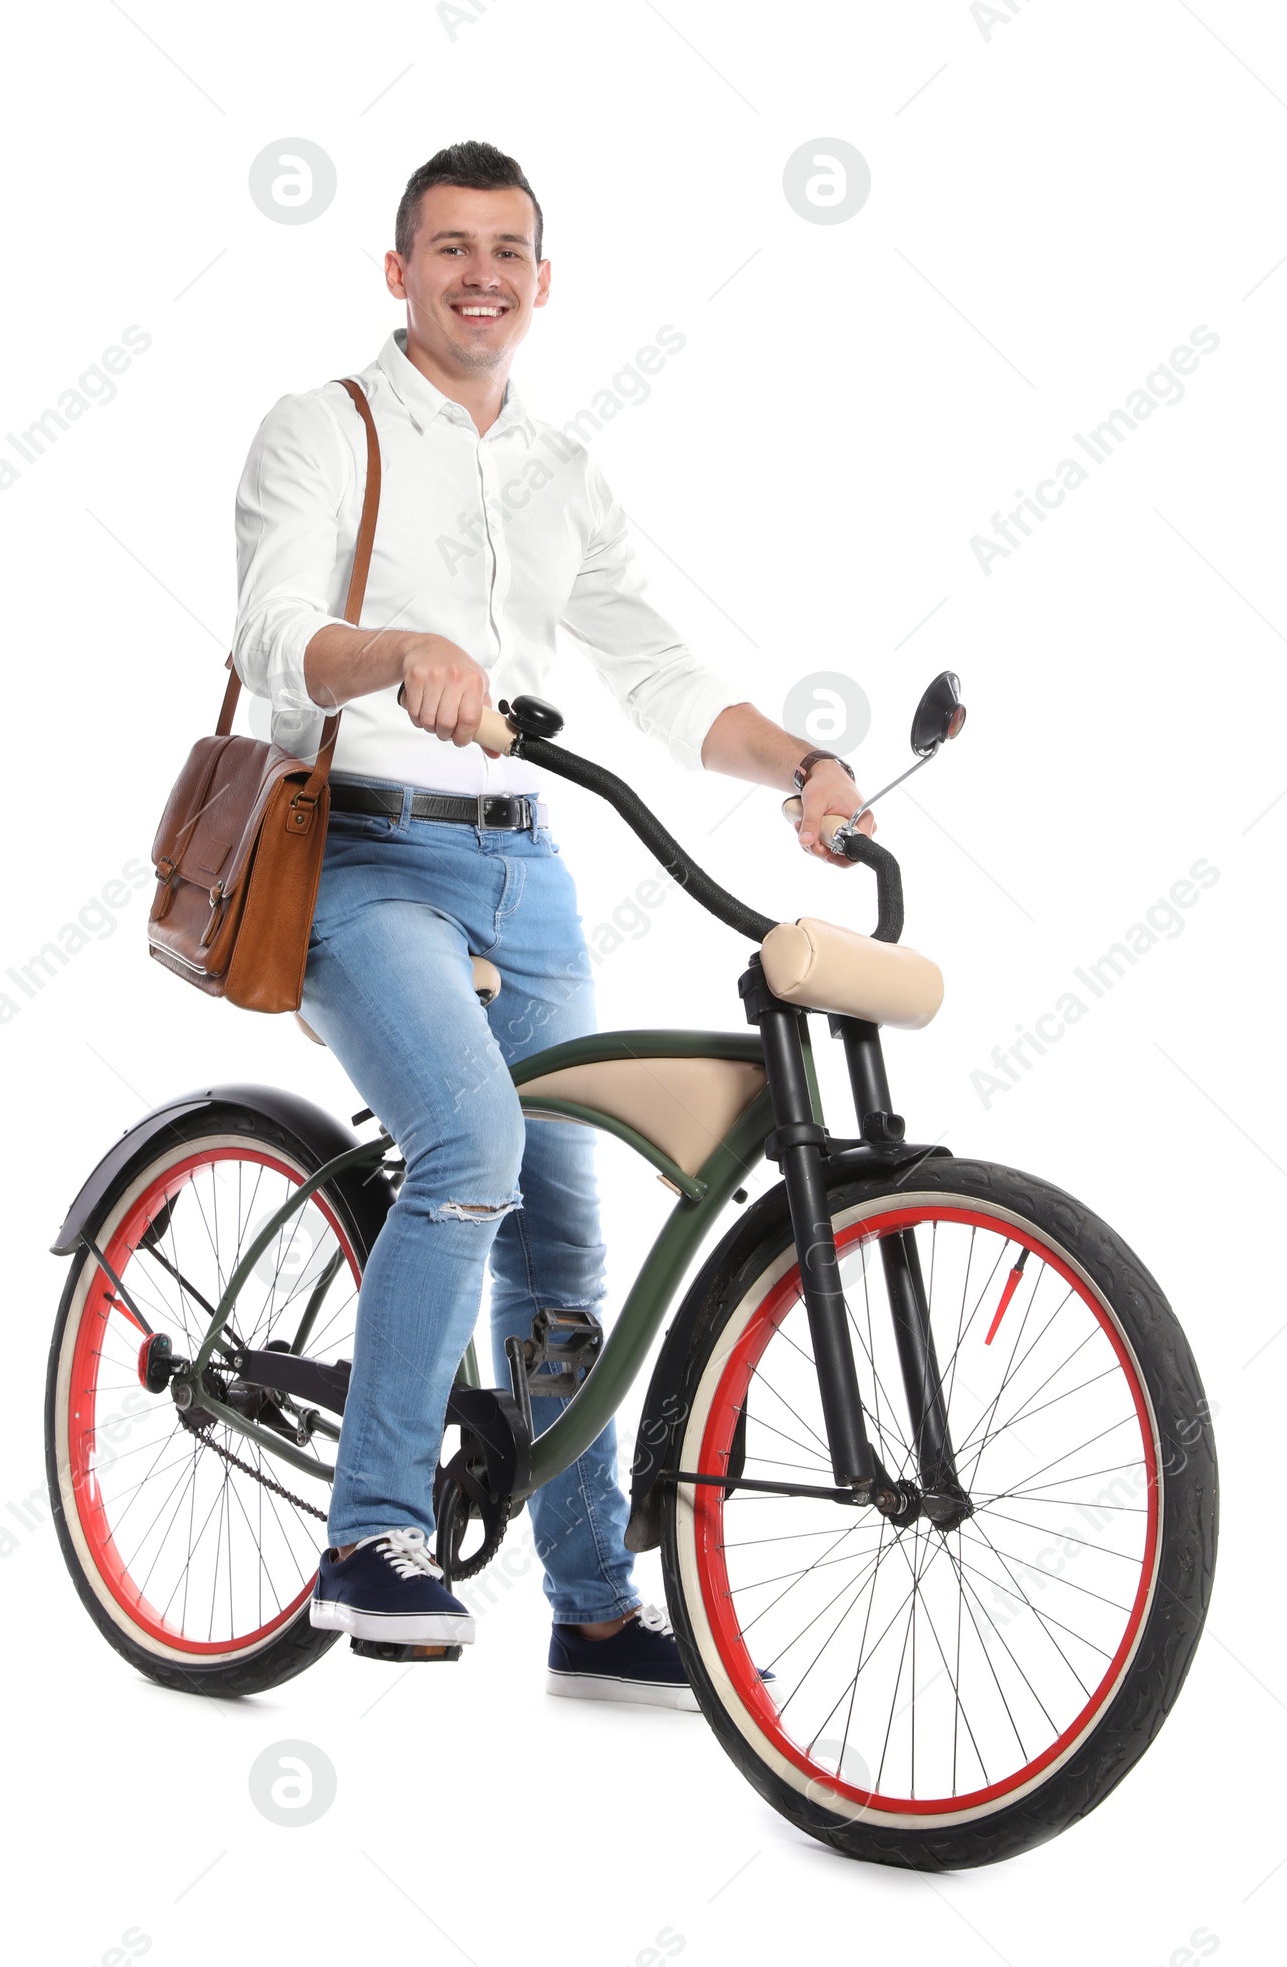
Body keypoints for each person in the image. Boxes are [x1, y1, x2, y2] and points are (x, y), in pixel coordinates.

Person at [232, 140, 870, 1708]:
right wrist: (402, 653)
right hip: (357, 855)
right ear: (397, 271)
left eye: (507, 250)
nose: (480, 275)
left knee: (566, 1229)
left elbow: (656, 675)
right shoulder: (325, 428)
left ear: (542, 276)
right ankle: (367, 1534)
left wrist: (797, 764)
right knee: (471, 1153)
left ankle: (588, 1601)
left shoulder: (563, 468)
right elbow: (268, 633)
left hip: (521, 870)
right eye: (448, 248)